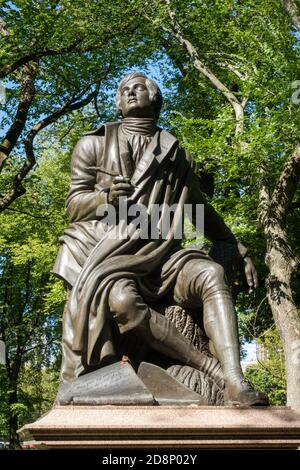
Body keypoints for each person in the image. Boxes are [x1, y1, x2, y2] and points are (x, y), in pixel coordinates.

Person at [53, 72, 268, 406]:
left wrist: (233, 242)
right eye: (123, 90)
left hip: (161, 249)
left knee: (212, 274)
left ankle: (237, 381)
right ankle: (212, 370)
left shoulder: (173, 151)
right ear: (118, 104)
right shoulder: (93, 145)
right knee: (123, 302)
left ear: (155, 99)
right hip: (112, 253)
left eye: (139, 87)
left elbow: (198, 209)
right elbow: (73, 205)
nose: (129, 91)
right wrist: (105, 198)